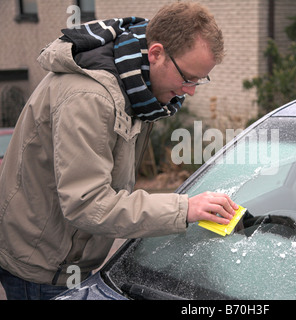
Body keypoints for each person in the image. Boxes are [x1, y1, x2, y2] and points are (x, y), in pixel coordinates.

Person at [0, 2, 237, 300]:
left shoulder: (135, 86)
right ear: (156, 53)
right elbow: (87, 203)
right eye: (188, 78)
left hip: (68, 260)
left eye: (199, 80)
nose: (190, 91)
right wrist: (182, 208)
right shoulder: (90, 97)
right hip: (43, 270)